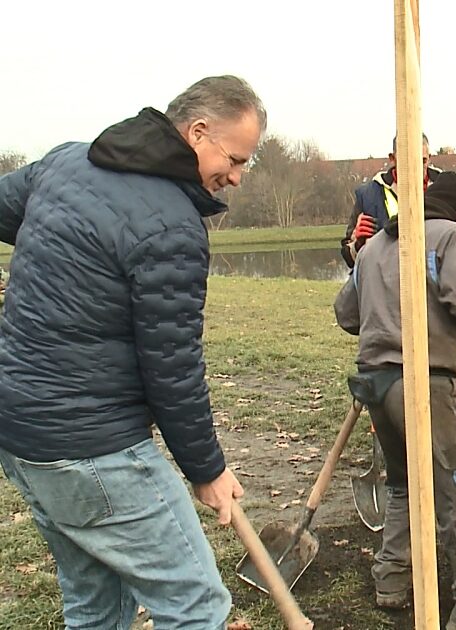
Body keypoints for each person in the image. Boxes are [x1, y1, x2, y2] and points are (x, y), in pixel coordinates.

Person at [0, 75, 264, 628]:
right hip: (92, 450)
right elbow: (172, 369)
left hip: (20, 435)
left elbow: (7, 211)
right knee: (195, 606)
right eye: (236, 158)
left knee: (97, 605)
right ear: (197, 132)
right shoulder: (171, 227)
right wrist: (207, 469)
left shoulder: (66, 163)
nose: (236, 177)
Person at [334, 171, 456, 630]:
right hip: (424, 386)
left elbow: (346, 313)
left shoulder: (374, 249)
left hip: (376, 386)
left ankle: (391, 580)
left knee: (403, 484)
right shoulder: (453, 235)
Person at [340, 133, 442, 266]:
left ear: (429, 158)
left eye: (422, 161)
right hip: (386, 282)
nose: (415, 169)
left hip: (437, 284)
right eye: (407, 162)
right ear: (392, 159)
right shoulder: (368, 196)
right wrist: (358, 244)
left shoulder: (447, 189)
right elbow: (350, 260)